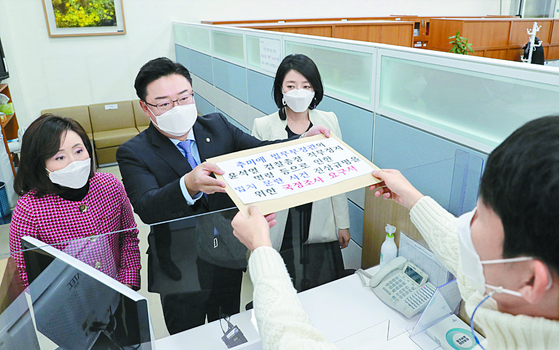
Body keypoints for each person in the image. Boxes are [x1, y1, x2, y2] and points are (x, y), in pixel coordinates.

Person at [232, 116, 559, 349]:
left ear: (533, 281)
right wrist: (414, 200)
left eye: (479, 219)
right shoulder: (530, 299)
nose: (465, 226)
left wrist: (262, 251)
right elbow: (480, 266)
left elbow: (290, 340)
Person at [116, 57, 329, 334]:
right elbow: (147, 207)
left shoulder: (215, 126)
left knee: (229, 330)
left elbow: (261, 152)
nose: (177, 108)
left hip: (225, 254)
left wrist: (302, 140)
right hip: (179, 267)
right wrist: (188, 184)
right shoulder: (134, 152)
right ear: (146, 108)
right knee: (188, 336)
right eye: (165, 103)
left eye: (184, 98)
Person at [9, 114, 141, 290]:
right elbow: (24, 270)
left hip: (118, 289)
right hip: (67, 304)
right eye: (59, 157)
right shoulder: (29, 208)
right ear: (39, 164)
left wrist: (128, 283)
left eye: (79, 151)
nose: (74, 162)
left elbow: (128, 236)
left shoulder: (110, 185)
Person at [252, 54, 350, 290]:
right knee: (284, 285)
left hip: (318, 218)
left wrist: (343, 223)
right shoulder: (263, 126)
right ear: (281, 90)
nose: (299, 92)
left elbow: (338, 176)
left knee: (320, 285)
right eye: (291, 86)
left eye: (306, 86)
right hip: (281, 220)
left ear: (315, 90)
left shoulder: (329, 120)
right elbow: (256, 183)